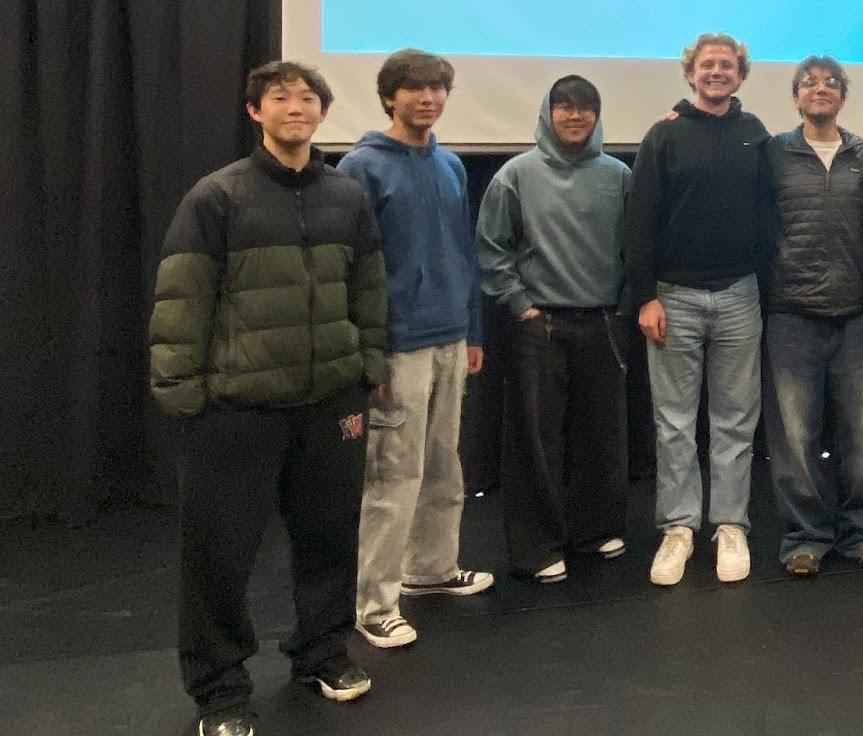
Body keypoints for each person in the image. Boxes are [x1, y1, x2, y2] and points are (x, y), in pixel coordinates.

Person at [149, 61, 386, 736]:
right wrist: (181, 391)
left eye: (307, 98)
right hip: (238, 409)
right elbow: (182, 294)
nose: (295, 108)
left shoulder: (347, 195)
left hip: (330, 401)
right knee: (219, 558)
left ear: (321, 112)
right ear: (256, 111)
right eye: (280, 98)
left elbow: (369, 286)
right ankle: (220, 692)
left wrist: (368, 363)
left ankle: (322, 654)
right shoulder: (217, 197)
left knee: (329, 542)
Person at [340, 49, 493, 650]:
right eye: (414, 89)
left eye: (436, 89)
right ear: (389, 98)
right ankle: (374, 602)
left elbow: (462, 253)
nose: (427, 99)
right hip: (398, 347)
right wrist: (370, 354)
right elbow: (355, 268)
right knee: (392, 477)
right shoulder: (361, 167)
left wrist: (473, 330)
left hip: (451, 337)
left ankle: (429, 570)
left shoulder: (452, 165)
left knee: (443, 464)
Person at [626, 33, 770, 587]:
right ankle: (679, 528)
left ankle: (730, 524)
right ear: (690, 74)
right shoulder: (663, 135)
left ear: (740, 75)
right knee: (674, 422)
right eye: (707, 65)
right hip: (674, 298)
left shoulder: (756, 135)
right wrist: (645, 296)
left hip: (740, 294)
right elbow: (640, 223)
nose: (716, 72)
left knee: (736, 420)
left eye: (726, 65)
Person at [477, 75, 632, 583]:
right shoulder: (515, 174)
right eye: (563, 107)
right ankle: (536, 548)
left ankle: (593, 531)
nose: (574, 116)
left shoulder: (617, 174)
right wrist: (520, 305)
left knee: (601, 434)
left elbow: (635, 243)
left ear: (597, 115)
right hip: (539, 325)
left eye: (585, 107)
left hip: (603, 322)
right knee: (534, 440)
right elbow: (492, 249)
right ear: (548, 113)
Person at [762, 56, 863, 575]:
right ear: (795, 97)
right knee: (795, 439)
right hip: (790, 315)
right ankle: (805, 538)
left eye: (830, 83)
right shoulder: (772, 153)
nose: (820, 89)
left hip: (855, 316)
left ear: (843, 96)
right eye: (809, 83)